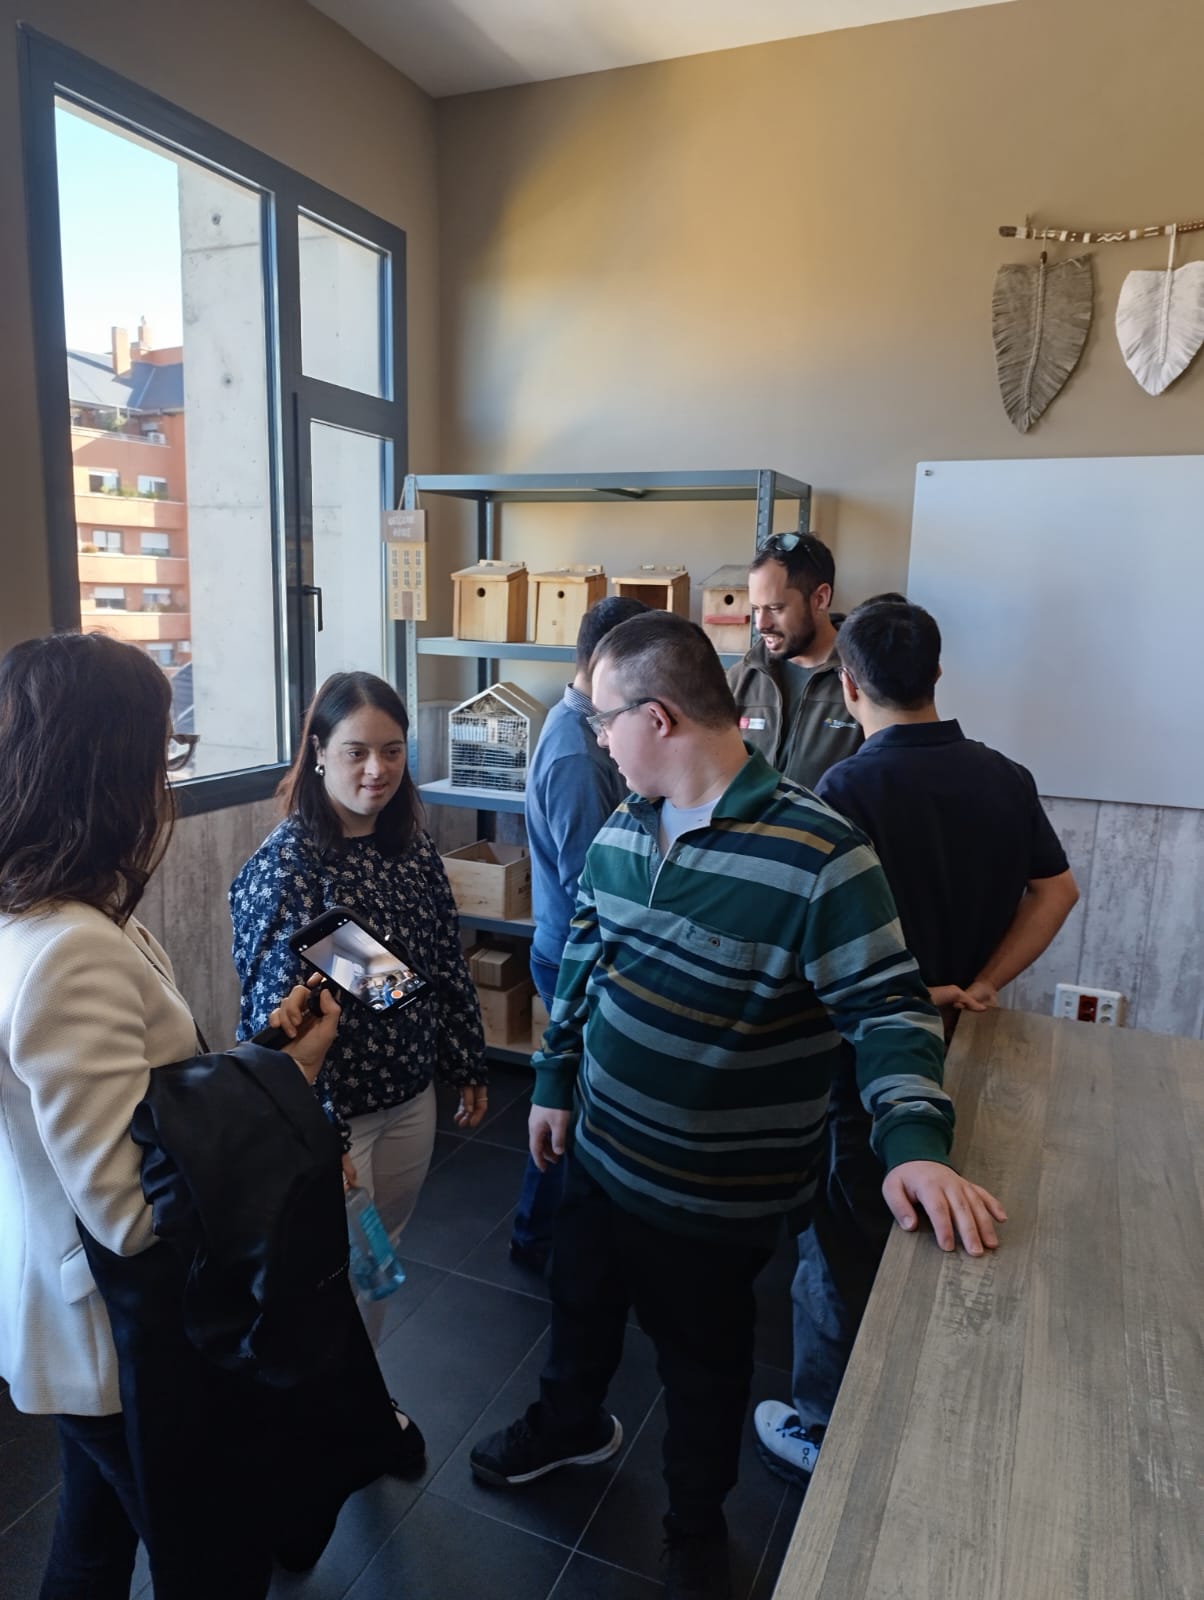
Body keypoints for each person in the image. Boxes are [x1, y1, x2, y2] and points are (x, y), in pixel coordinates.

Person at [468, 611, 1005, 1600]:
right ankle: (567, 1425)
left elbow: (887, 1010)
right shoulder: (623, 831)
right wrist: (551, 1081)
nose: (596, 740)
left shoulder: (821, 854)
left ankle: (693, 1526)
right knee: (577, 1308)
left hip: (715, 1201)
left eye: (604, 720)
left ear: (659, 718)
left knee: (703, 1372)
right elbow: (583, 964)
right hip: (599, 1157)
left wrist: (915, 1143)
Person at [0, 631, 367, 1599]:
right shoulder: (66, 949)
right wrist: (289, 1084)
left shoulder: (58, 910)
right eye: (160, 752)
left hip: (85, 1328)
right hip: (117, 1343)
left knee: (90, 1544)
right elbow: (130, 1214)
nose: (165, 780)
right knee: (211, 1564)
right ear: (105, 768)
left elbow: (149, 1103)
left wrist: (265, 1053)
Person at [754, 597, 1078, 1488]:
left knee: (842, 1244)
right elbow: (1056, 891)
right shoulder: (1006, 777)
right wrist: (984, 981)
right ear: (936, 674)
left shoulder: (842, 791)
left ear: (848, 686)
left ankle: (826, 1427)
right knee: (941, 1227)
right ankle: (924, 1409)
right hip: (964, 1041)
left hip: (866, 1058)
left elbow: (808, 940)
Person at [230, 670, 488, 1365]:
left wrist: (465, 1058)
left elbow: (442, 963)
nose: (378, 770)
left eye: (393, 751)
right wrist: (321, 1134)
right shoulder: (287, 868)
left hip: (409, 1096)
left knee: (381, 1256)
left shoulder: (411, 849)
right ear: (319, 752)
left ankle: (366, 1400)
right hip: (333, 1117)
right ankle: (325, 1413)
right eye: (357, 752)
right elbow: (273, 1030)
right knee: (324, 1275)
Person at [509, 594, 648, 1271]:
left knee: (574, 1103)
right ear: (604, 662)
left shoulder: (582, 728)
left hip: (570, 950)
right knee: (569, 1106)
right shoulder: (577, 753)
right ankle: (535, 1236)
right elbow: (590, 885)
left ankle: (544, 1233)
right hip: (572, 956)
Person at [726, 531, 862, 789]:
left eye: (775, 608)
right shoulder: (739, 679)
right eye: (756, 609)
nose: (761, 624)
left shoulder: (865, 679)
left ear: (820, 598)